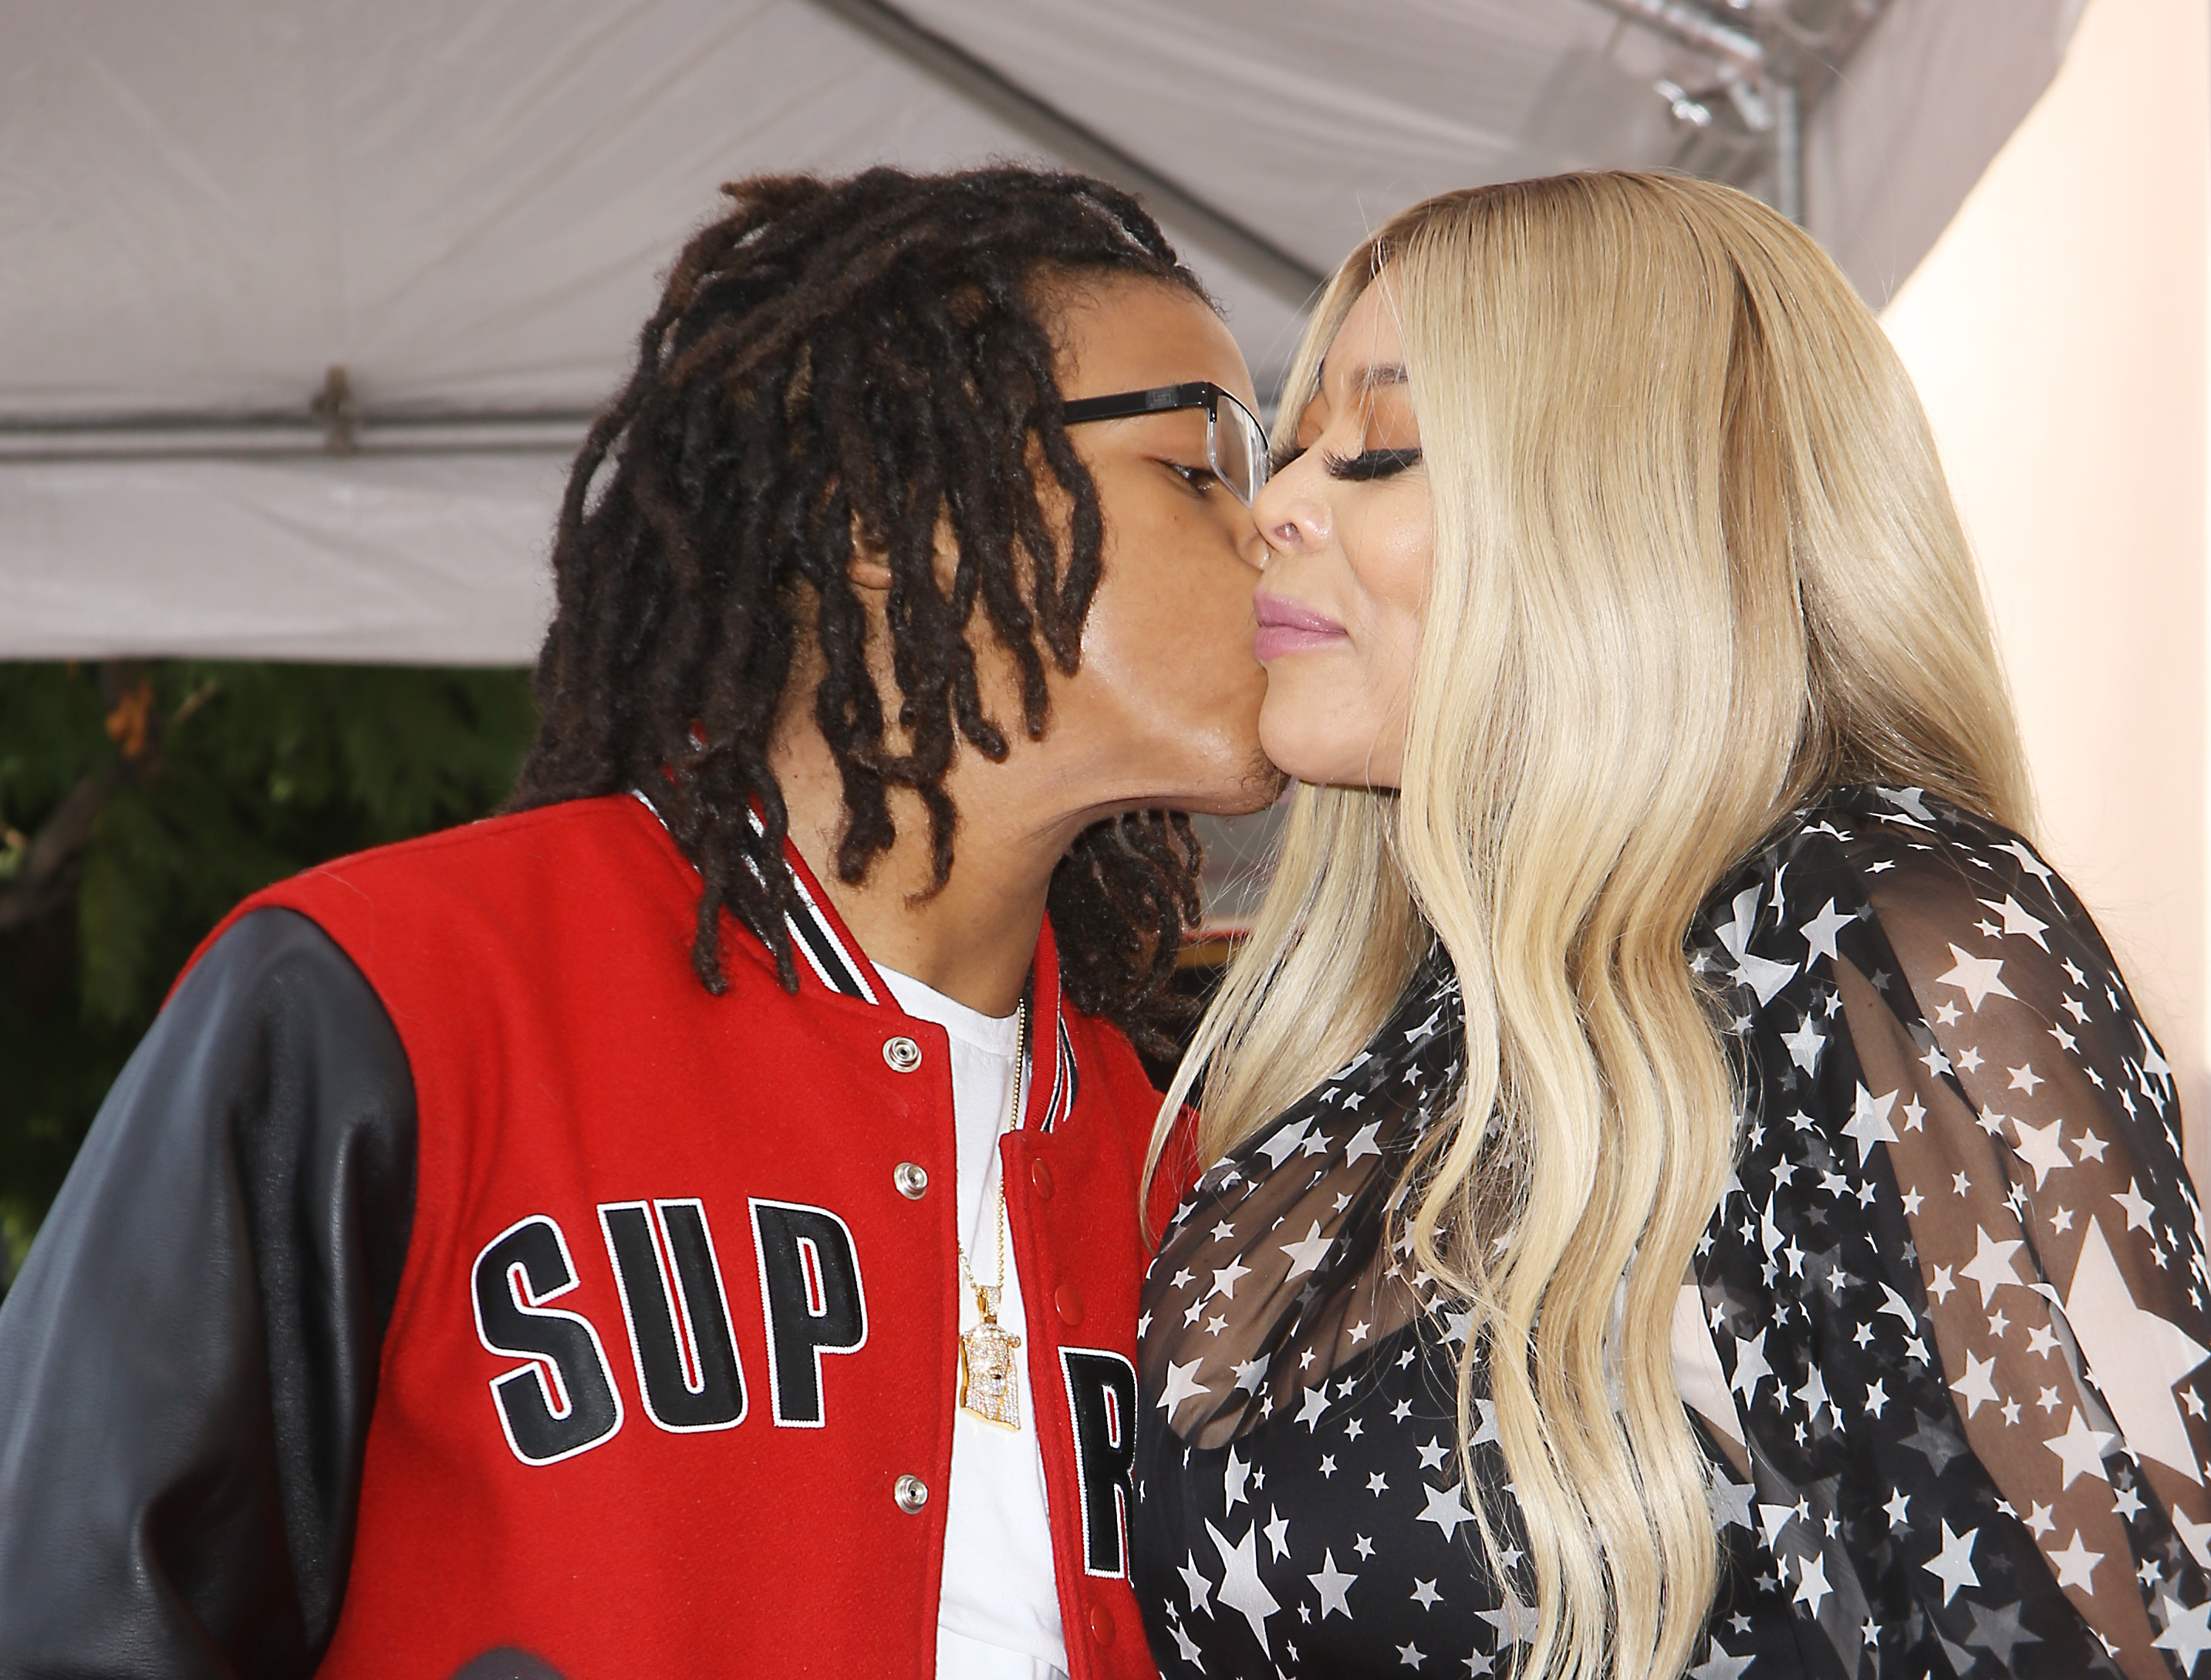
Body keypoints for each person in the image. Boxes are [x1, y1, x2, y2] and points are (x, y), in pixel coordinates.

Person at [0, 166, 1280, 1678]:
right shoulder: (392, 995)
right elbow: (71, 1616)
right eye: (1200, 460)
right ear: (888, 505)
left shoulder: (1178, 1167)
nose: (1270, 533)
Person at [1133, 172, 2211, 1680]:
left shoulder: (1874, 933)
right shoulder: (1364, 1048)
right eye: (1296, 439)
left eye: (1376, 447)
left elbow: (2106, 1635)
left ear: (1620, 499)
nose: (1275, 504)